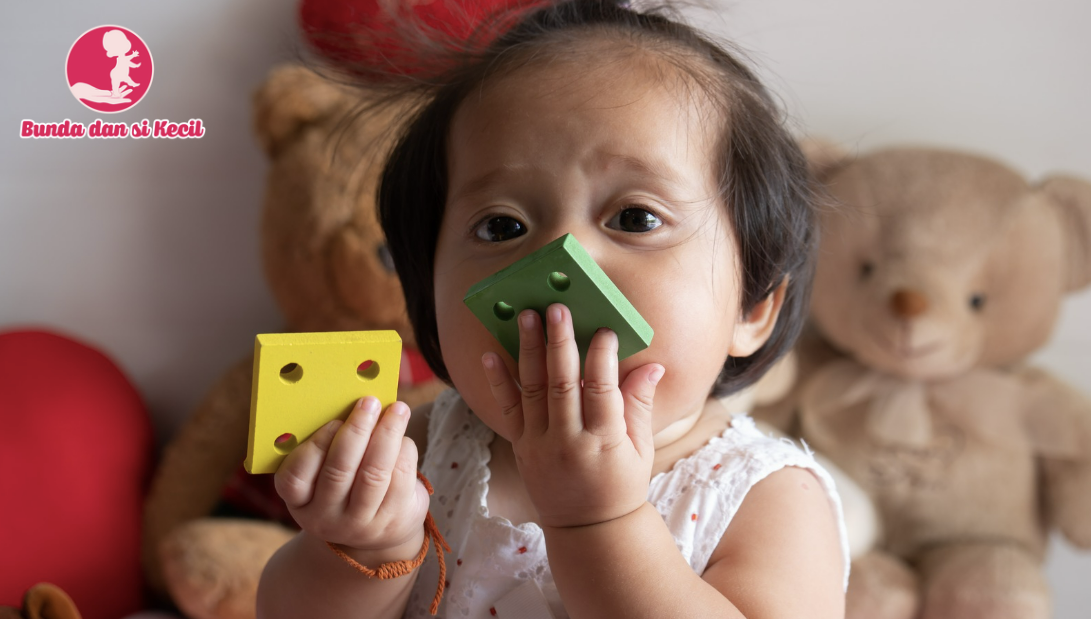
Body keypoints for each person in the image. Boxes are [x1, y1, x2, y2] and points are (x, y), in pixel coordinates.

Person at [257, 1, 850, 617]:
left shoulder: (764, 496)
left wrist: (599, 520)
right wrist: (364, 551)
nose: (560, 261)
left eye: (635, 218)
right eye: (501, 225)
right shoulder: (422, 449)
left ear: (753, 307)